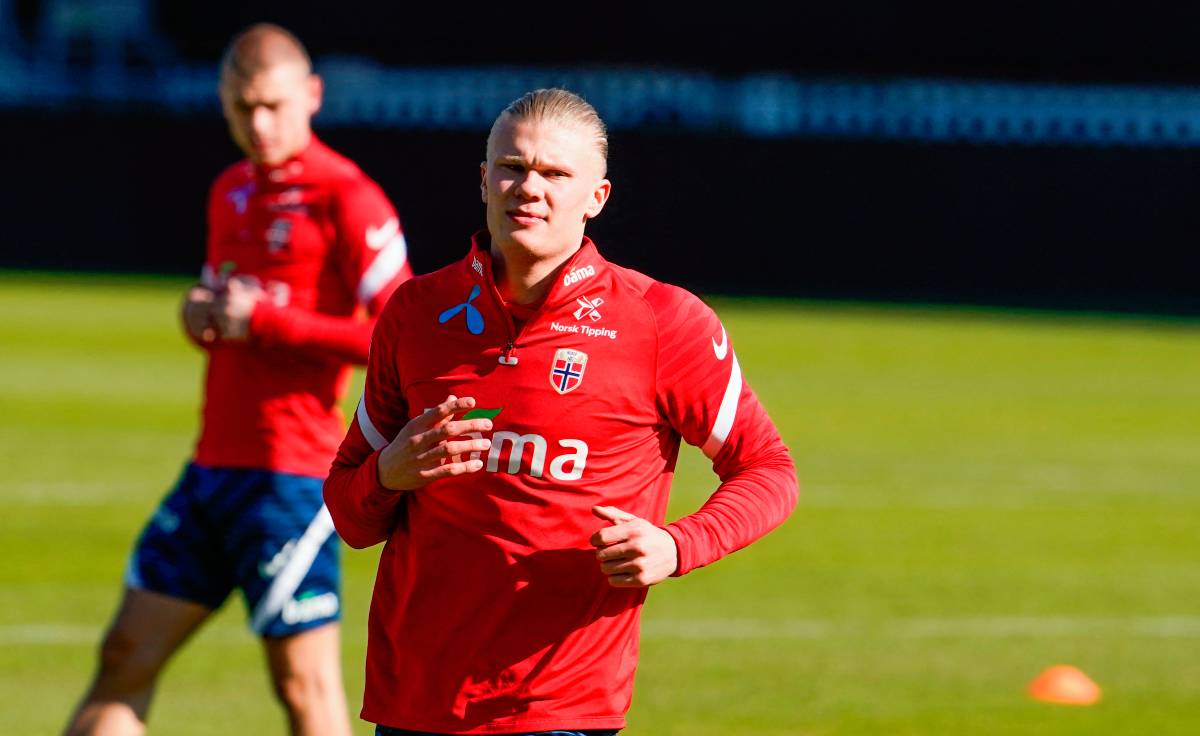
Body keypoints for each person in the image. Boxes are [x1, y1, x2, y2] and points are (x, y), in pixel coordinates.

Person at [324, 88, 799, 736]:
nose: (529, 188)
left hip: (558, 708)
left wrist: (676, 545)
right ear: (484, 180)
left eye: (554, 173)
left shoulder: (662, 321)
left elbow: (769, 469)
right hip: (413, 702)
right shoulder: (414, 313)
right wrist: (387, 474)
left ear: (596, 198)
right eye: (513, 167)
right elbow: (350, 514)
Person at [64, 24, 413, 736]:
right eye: (241, 107)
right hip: (212, 471)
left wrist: (272, 323)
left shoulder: (347, 197)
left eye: (273, 106)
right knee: (124, 654)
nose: (257, 124)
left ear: (311, 97)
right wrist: (201, 316)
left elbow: (400, 335)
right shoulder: (230, 190)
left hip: (291, 479)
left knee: (303, 689)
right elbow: (232, 309)